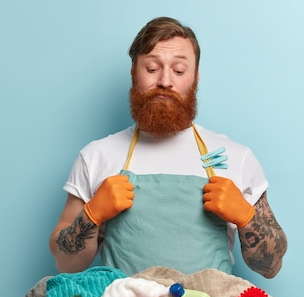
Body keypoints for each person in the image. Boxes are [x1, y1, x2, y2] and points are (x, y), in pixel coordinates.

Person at [48, 17, 287, 278]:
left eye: (179, 70)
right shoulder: (96, 156)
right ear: (133, 73)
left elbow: (271, 266)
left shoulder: (237, 158)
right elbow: (65, 263)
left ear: (195, 78)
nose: (165, 81)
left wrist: (244, 215)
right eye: (151, 68)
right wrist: (91, 214)